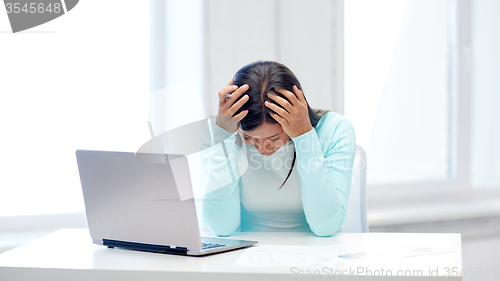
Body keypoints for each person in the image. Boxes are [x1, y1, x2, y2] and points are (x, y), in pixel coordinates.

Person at [200, 61, 356, 237]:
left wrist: (304, 136)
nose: (262, 148)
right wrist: (223, 136)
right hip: (244, 255)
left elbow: (326, 227)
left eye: (274, 138)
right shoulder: (219, 133)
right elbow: (220, 226)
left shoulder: (335, 129)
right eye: (249, 138)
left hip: (316, 255)